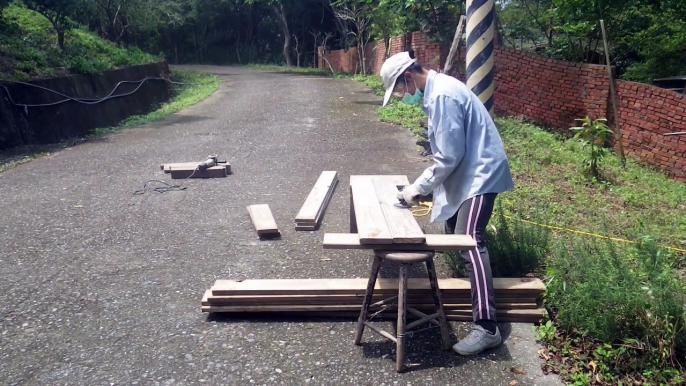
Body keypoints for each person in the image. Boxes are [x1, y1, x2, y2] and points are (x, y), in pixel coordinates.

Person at [379, 51, 515, 356]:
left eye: (401, 89)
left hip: (481, 176)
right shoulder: (439, 91)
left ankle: (487, 327)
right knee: (455, 231)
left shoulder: (442, 96)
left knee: (469, 242)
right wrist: (424, 189)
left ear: (407, 76)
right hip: (469, 173)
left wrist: (417, 189)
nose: (403, 95)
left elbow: (448, 157)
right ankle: (471, 292)